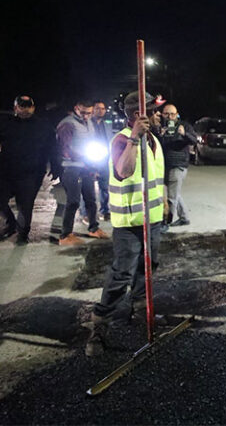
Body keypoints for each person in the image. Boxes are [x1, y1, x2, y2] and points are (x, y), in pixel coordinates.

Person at [86, 91, 166, 356]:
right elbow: (124, 171)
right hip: (130, 221)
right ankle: (100, 324)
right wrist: (134, 138)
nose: (159, 115)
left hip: (152, 219)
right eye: (154, 111)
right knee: (122, 273)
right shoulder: (122, 140)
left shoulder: (154, 139)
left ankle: (142, 310)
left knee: (148, 267)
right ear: (137, 116)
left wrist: (164, 203)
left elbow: (157, 176)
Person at [0, 95, 61, 245]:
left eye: (29, 106)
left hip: (31, 173)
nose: (26, 109)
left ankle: (23, 234)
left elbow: (53, 148)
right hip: (7, 171)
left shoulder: (43, 125)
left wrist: (56, 166)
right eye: (22, 106)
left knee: (25, 205)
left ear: (33, 108)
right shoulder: (5, 123)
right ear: (16, 108)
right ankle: (11, 223)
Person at [56, 99, 109, 246]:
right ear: (76, 108)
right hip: (71, 168)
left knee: (91, 199)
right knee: (73, 201)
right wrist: (84, 157)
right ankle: (65, 235)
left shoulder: (90, 123)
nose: (86, 116)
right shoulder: (67, 124)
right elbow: (64, 149)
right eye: (83, 112)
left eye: (89, 113)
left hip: (87, 167)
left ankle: (94, 228)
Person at [158, 103, 195, 227]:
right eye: (166, 114)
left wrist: (184, 134)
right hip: (165, 165)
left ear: (177, 114)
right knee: (175, 193)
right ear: (162, 114)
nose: (169, 117)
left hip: (179, 165)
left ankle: (166, 223)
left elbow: (194, 140)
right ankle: (184, 217)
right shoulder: (160, 127)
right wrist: (160, 135)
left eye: (172, 114)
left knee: (171, 197)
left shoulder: (184, 126)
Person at [78, 100, 110, 222]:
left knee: (104, 187)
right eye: (97, 108)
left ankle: (105, 211)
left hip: (104, 160)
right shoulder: (86, 123)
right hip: (89, 159)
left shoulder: (106, 124)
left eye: (102, 108)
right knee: (87, 187)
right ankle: (85, 213)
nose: (100, 111)